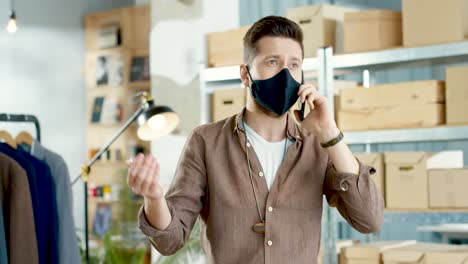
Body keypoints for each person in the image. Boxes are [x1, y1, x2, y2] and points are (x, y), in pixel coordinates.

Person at [127, 16, 384, 264]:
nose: (285, 74)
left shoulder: (317, 146)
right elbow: (170, 240)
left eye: (294, 64)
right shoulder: (206, 142)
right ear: (245, 74)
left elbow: (369, 219)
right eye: (273, 62)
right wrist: (154, 198)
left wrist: (329, 133)